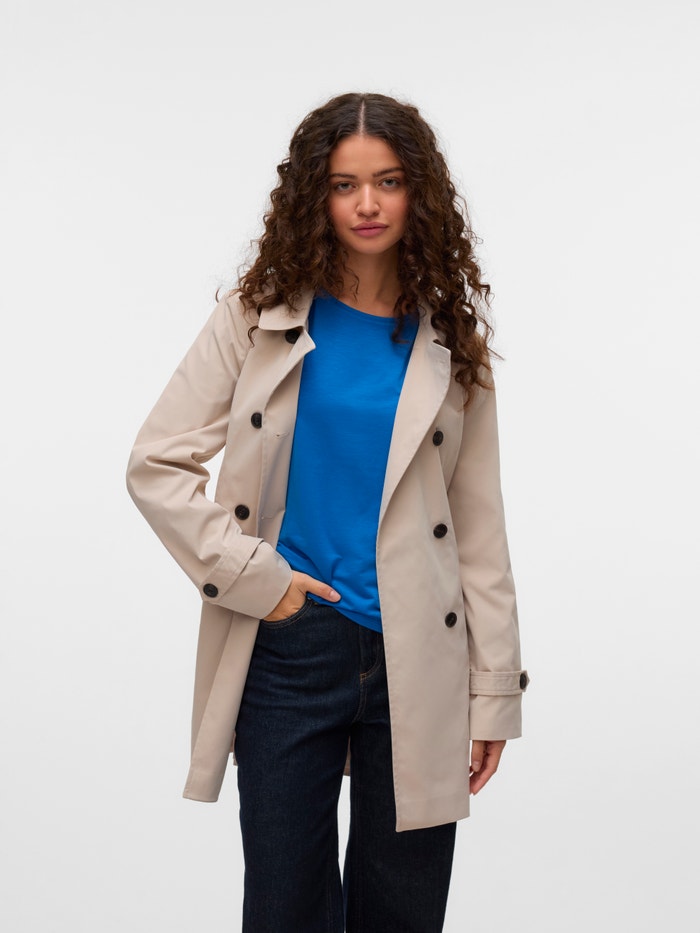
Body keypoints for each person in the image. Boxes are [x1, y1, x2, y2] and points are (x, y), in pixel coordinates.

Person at [126, 91, 528, 933]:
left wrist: (493, 692)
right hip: (289, 643)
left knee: (402, 911)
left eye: (388, 182)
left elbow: (478, 531)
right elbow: (156, 463)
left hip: (418, 650)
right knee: (285, 908)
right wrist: (261, 581)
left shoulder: (451, 340)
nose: (368, 204)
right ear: (316, 195)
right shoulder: (257, 316)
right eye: (345, 185)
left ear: (419, 192)